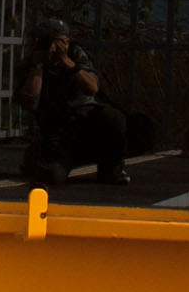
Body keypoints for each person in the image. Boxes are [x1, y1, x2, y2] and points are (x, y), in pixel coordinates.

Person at [15, 17, 128, 187]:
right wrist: (38, 67)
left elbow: (92, 88)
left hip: (85, 120)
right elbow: (29, 102)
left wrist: (67, 62)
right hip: (58, 129)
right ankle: (40, 156)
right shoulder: (31, 62)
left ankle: (111, 169)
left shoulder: (76, 54)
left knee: (113, 117)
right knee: (51, 175)